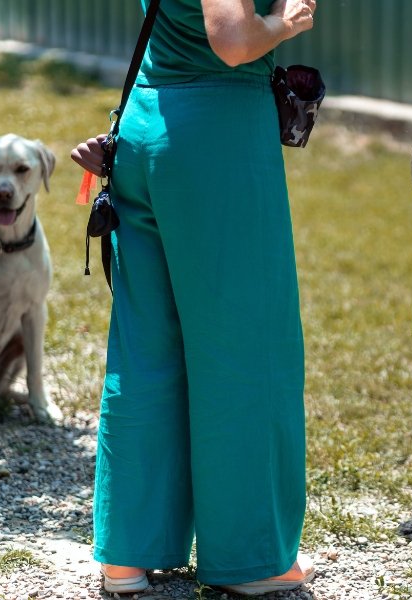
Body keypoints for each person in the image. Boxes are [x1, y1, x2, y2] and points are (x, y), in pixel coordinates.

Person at [70, 0, 316, 594]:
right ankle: (254, 561)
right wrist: (289, 22)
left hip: (147, 128)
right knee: (246, 348)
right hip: (216, 141)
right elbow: (231, 39)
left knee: (144, 350)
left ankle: (126, 556)